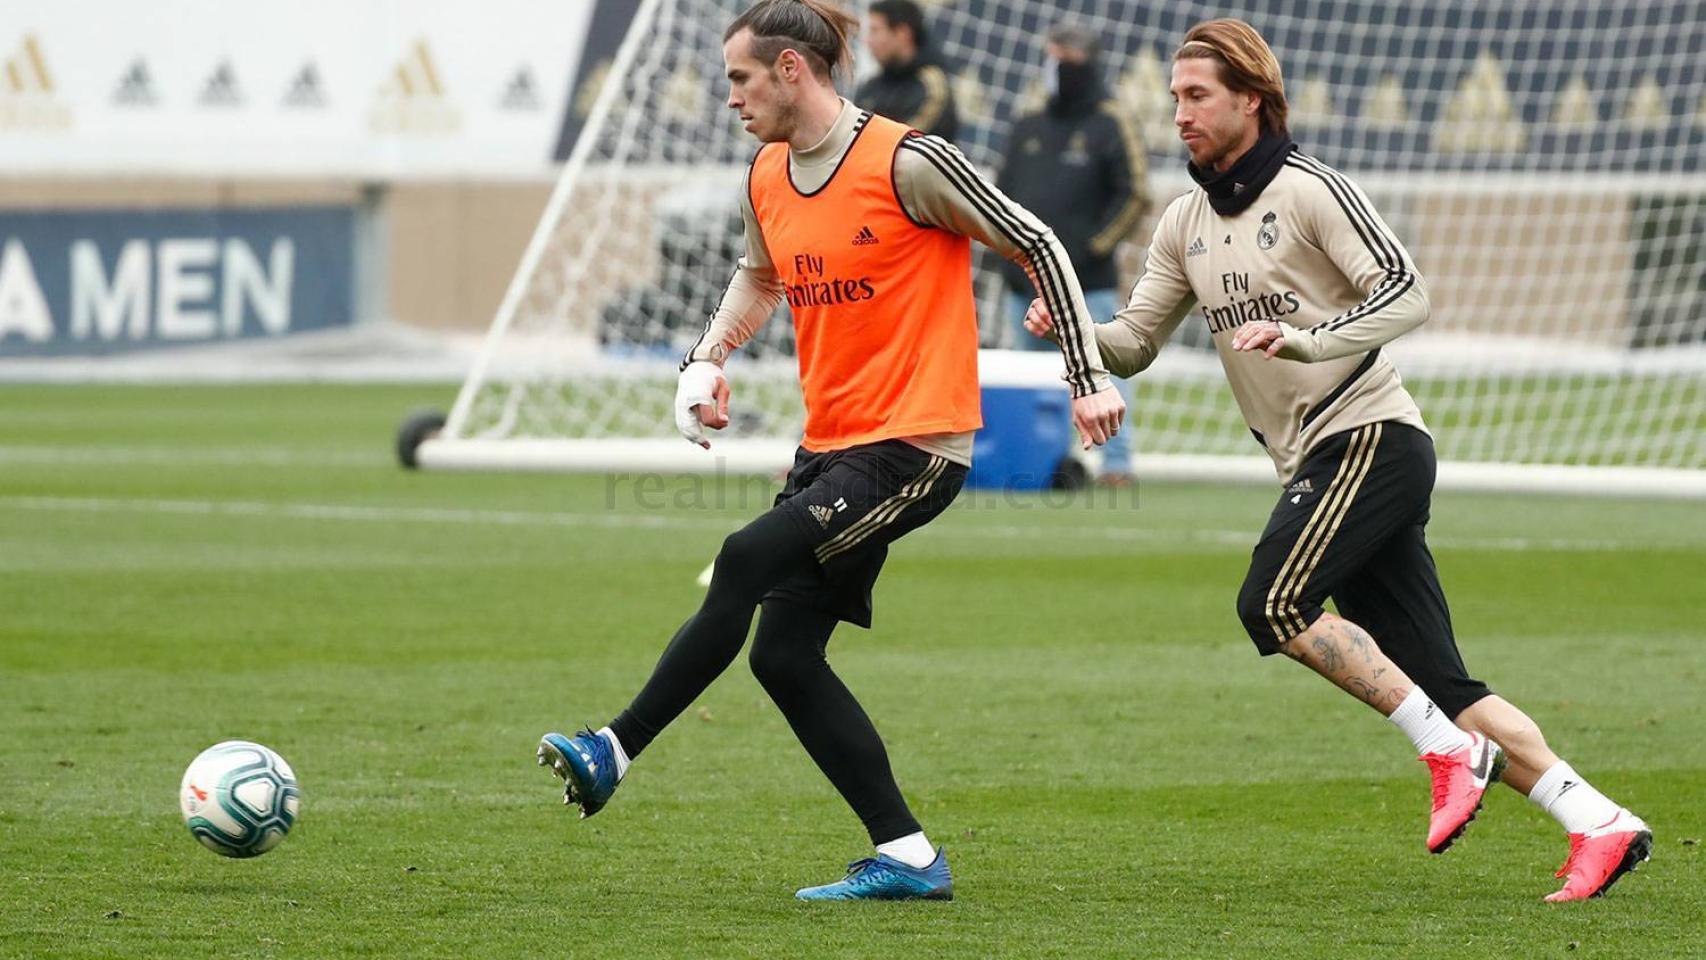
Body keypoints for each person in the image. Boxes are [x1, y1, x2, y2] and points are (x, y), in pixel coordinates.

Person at [1024, 18, 1651, 903]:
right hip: (1318, 461)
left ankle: (1445, 752)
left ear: (1252, 98)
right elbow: (1134, 343)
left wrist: (1312, 341)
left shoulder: (1311, 190)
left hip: (1370, 439)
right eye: (1174, 97)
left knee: (1272, 602)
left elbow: (1408, 290)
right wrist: (1078, 331)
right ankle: (1598, 821)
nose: (1179, 114)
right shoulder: (1183, 220)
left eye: (1197, 95)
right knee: (1443, 683)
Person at [539, 0, 1125, 902]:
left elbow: (1038, 241)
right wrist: (706, 358)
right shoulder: (767, 173)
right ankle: (912, 856)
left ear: (790, 72)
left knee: (741, 555)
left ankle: (613, 748)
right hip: (832, 447)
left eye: (738, 78)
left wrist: (1085, 374)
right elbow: (759, 275)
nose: (728, 97)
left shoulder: (908, 160)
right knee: (783, 657)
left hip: (915, 447)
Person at [996, 22, 1147, 482]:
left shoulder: (1110, 121)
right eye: (1051, 57)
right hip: (1025, 282)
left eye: (1062, 59)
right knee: (1035, 382)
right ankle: (1052, 464)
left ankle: (1115, 462)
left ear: (1085, 63)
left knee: (1103, 367)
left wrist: (1090, 249)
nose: (1054, 68)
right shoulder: (1027, 125)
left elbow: (1135, 193)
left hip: (1087, 281)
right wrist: (1007, 255)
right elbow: (1000, 195)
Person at [855, 0, 958, 140]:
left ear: (902, 33)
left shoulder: (932, 87)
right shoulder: (870, 86)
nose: (868, 41)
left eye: (875, 31)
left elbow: (909, 142)